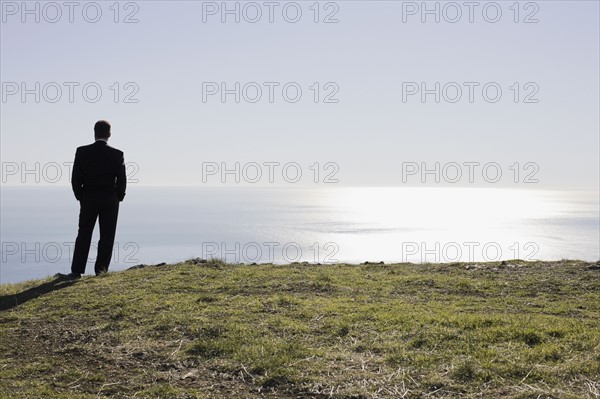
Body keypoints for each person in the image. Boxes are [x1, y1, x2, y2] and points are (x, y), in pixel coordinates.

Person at [66, 120, 126, 280]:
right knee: (107, 235)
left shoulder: (82, 151)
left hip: (89, 197)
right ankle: (101, 271)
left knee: (84, 232)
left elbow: (75, 178)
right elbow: (122, 179)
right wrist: (118, 196)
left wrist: (81, 196)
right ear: (109, 134)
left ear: (94, 132)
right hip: (110, 198)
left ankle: (77, 271)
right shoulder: (117, 154)